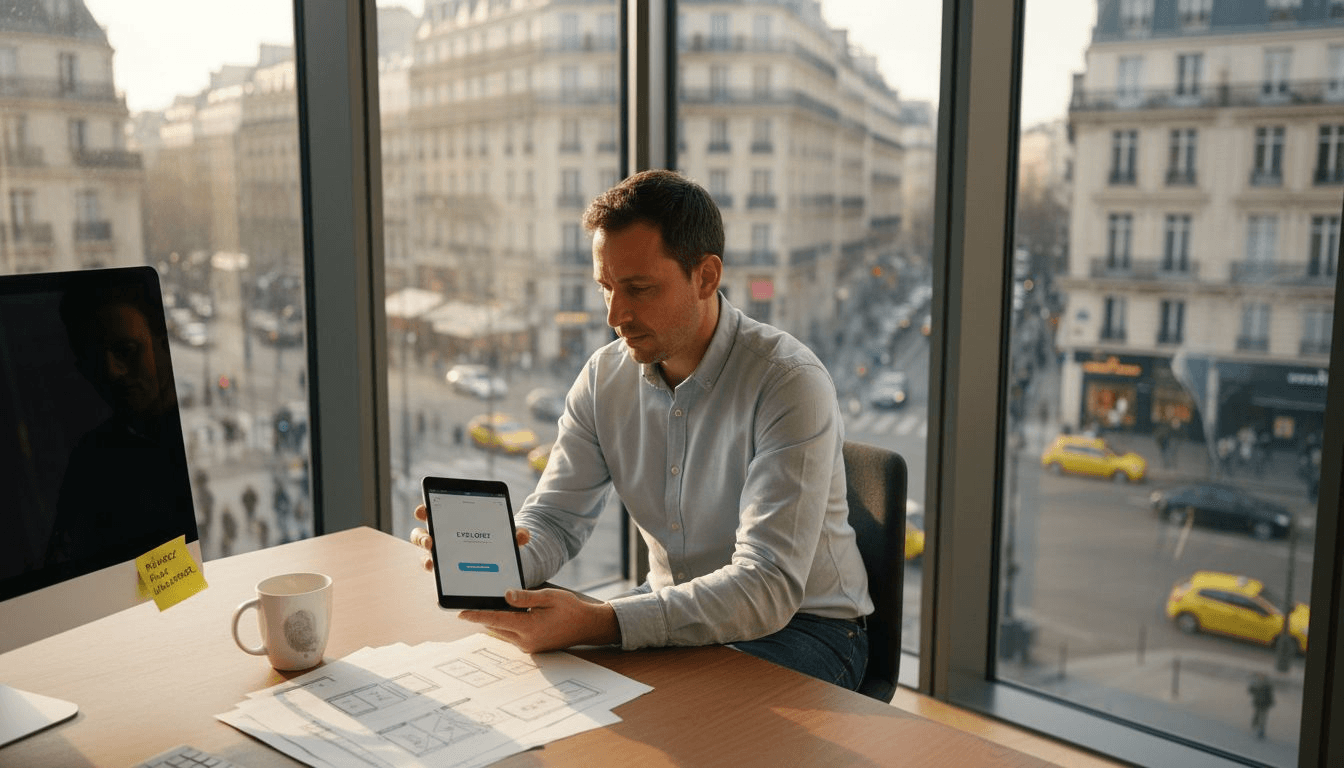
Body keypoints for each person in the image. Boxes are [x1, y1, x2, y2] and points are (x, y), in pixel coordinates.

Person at [411, 170, 872, 690]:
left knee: (657, 722)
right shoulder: (603, 377)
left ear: (706, 277)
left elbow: (766, 584)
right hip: (673, 610)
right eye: (606, 287)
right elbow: (556, 520)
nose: (614, 314)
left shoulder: (789, 381)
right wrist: (494, 564)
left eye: (638, 289)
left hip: (806, 629)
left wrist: (602, 622)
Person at [46, 277, 196, 566]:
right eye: (93, 360)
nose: (112, 372)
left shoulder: (188, 442)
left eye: (127, 350)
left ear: (165, 346)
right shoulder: (90, 460)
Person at [1248, 672, 1275, 739]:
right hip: (1260, 704)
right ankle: (1257, 728)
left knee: (1261, 717)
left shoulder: (1266, 687)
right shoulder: (1261, 686)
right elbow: (1251, 691)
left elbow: (1270, 697)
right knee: (1258, 716)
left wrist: (1271, 702)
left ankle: (1259, 730)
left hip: (1263, 704)